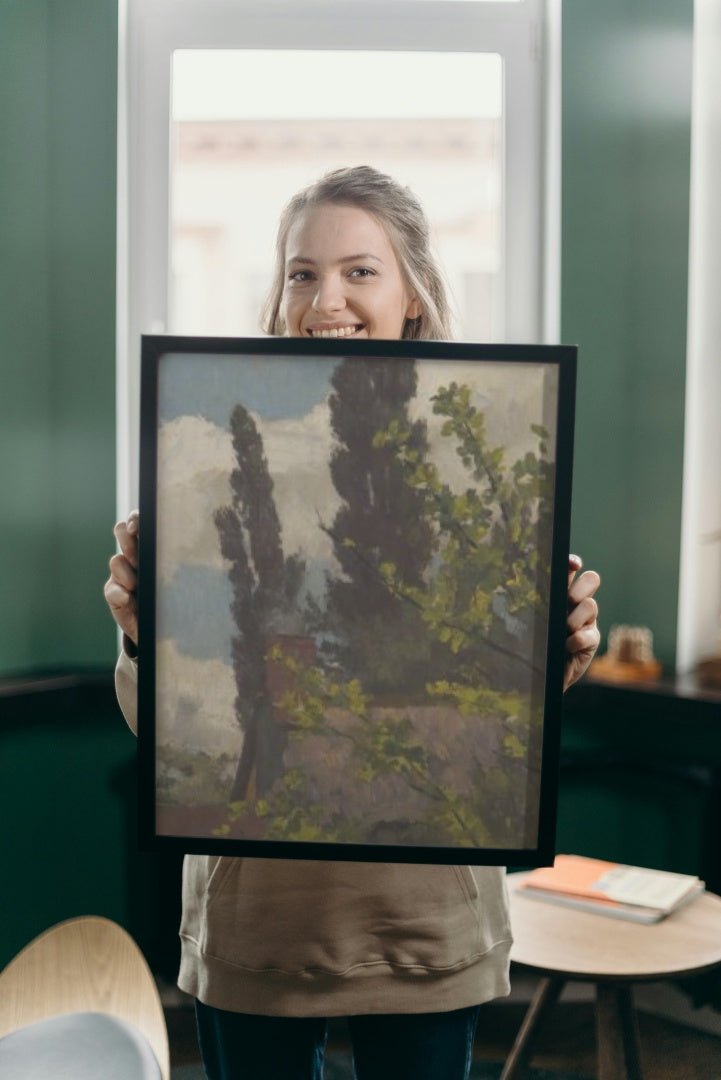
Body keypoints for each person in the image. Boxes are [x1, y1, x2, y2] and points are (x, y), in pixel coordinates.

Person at [105, 166, 601, 1080]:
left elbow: (491, 720)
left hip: (423, 923)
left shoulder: (482, 453)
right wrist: (142, 637)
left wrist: (556, 652)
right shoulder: (208, 447)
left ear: (412, 292)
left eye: (359, 271)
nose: (324, 297)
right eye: (301, 272)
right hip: (258, 922)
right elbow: (178, 731)